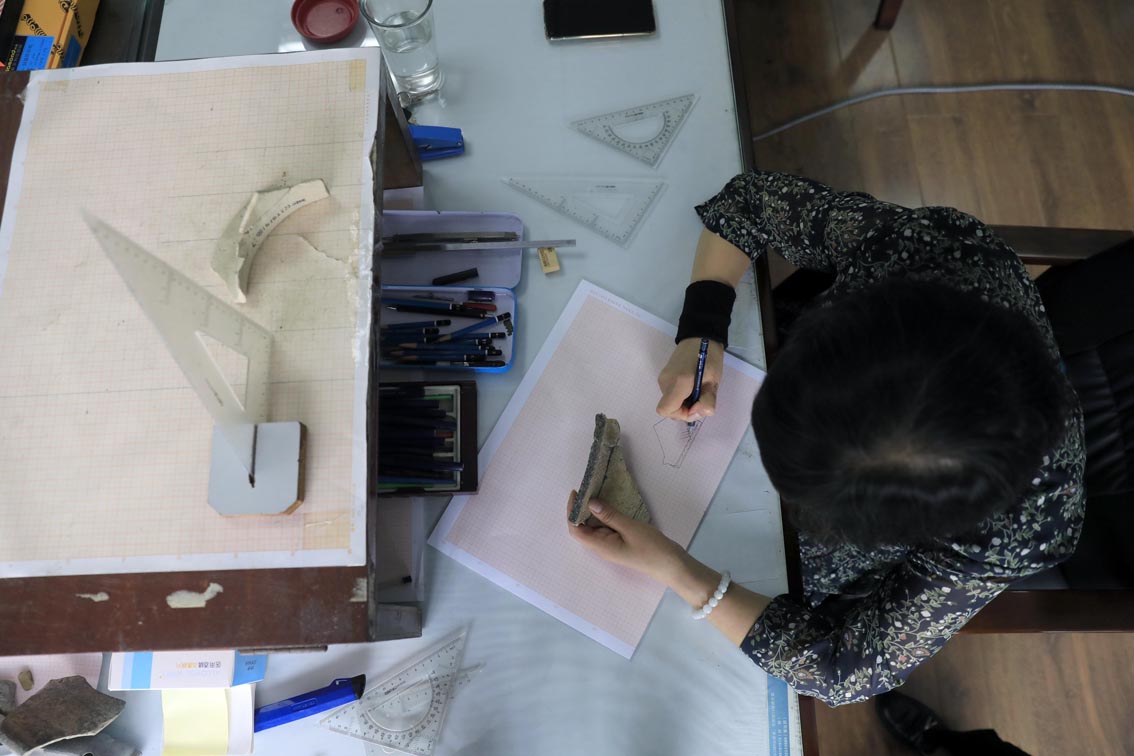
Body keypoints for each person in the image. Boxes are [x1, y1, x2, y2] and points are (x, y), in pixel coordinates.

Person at [568, 170, 1085, 706]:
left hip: (805, 556)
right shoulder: (930, 251)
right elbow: (750, 203)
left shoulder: (1021, 528)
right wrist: (703, 327)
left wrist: (680, 572)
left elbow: (845, 668)